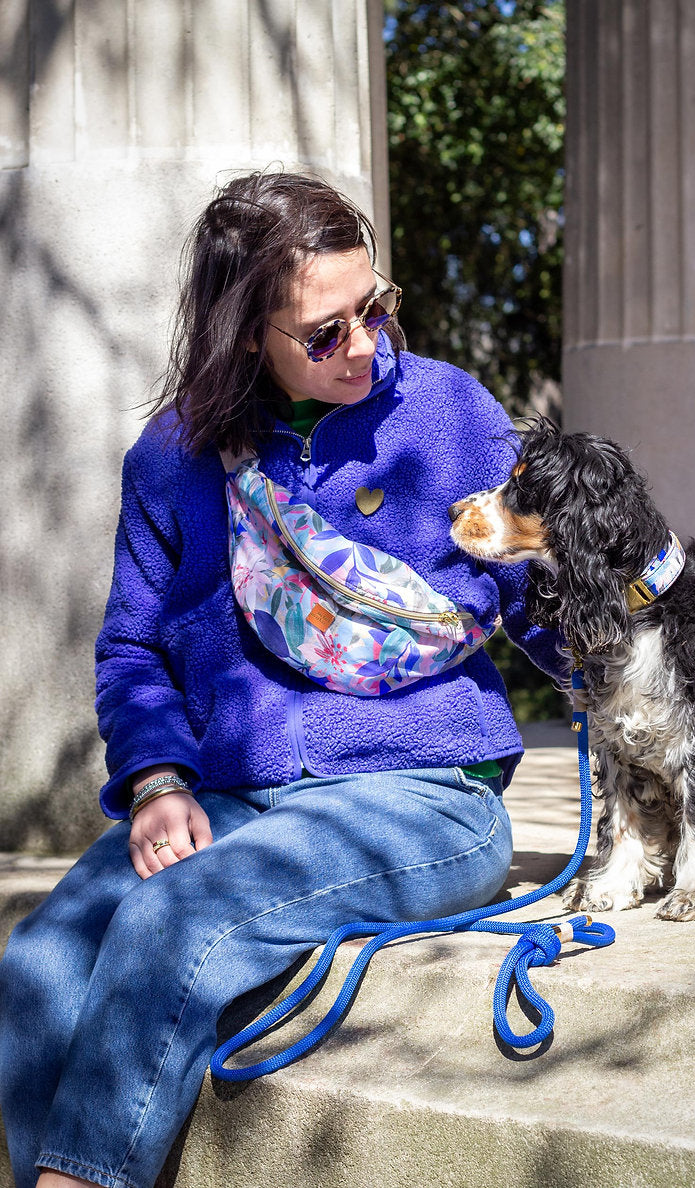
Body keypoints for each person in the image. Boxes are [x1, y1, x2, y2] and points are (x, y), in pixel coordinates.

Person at [0, 171, 562, 1188]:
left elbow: (547, 597)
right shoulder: (173, 458)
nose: (364, 345)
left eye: (374, 307)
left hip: (424, 794)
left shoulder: (452, 415)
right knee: (36, 963)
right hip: (232, 797)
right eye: (323, 332)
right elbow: (132, 650)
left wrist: (665, 672)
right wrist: (157, 783)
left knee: (175, 920)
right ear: (246, 335)